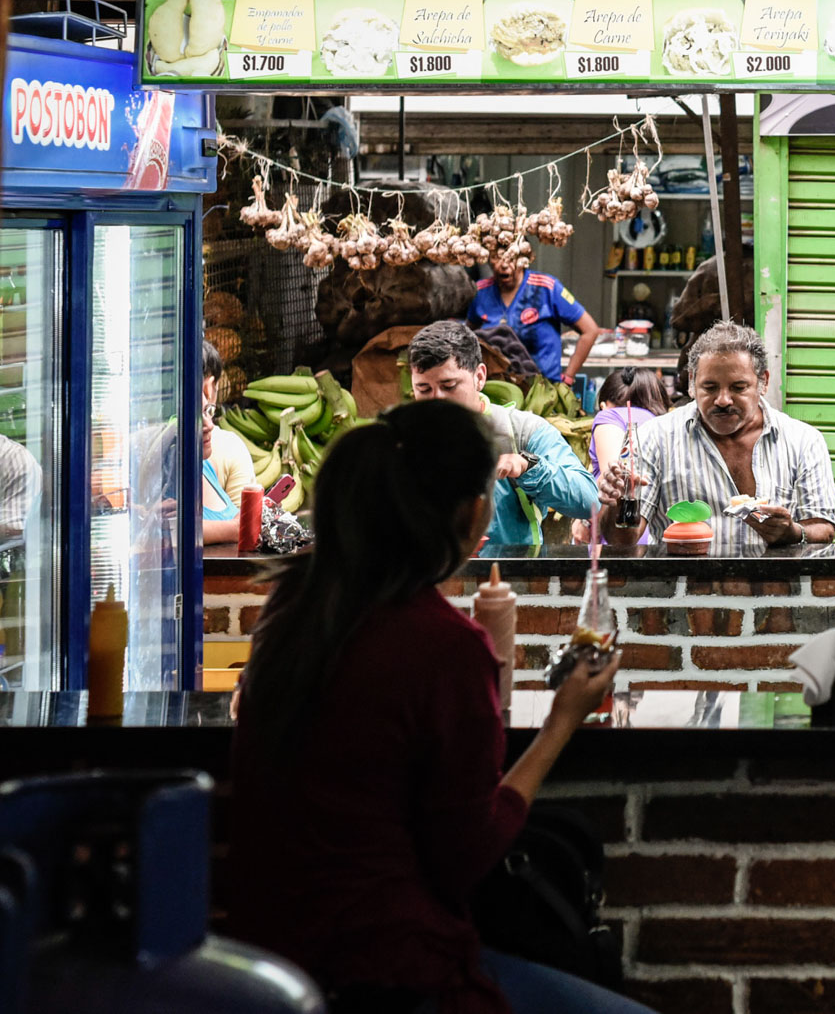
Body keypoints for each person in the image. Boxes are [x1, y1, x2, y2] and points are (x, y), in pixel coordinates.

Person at [228, 400, 651, 1014]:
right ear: (475, 513)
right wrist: (562, 722)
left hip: (272, 957)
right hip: (388, 973)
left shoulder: (292, 610)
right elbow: (466, 854)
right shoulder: (442, 646)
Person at [600, 322, 835, 554]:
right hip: (682, 590)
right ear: (692, 383)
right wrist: (615, 502)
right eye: (710, 387)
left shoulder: (803, 441)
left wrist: (793, 533)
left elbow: (823, 527)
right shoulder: (654, 438)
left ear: (763, 382)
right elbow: (623, 540)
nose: (723, 400)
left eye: (738, 387)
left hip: (774, 590)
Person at [408, 321, 600, 549]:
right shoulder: (401, 440)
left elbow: (589, 501)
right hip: (434, 580)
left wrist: (528, 467)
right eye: (423, 389)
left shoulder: (523, 432)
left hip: (516, 579)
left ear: (479, 377)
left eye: (449, 386)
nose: (436, 401)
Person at [467, 251, 603, 387]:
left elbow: (590, 330)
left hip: (544, 388)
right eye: (497, 257)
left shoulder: (546, 288)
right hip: (497, 387)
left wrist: (568, 377)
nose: (504, 265)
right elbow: (468, 337)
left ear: (523, 259)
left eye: (511, 258)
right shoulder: (480, 291)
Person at [572, 367, 671, 544]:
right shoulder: (667, 425)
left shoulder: (608, 417)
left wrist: (585, 522)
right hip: (657, 534)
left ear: (604, 403)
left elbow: (613, 476)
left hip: (618, 532)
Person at [201, 339, 257, 545]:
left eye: (208, 411)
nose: (208, 425)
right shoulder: (166, 469)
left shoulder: (205, 464)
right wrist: (235, 529)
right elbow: (167, 533)